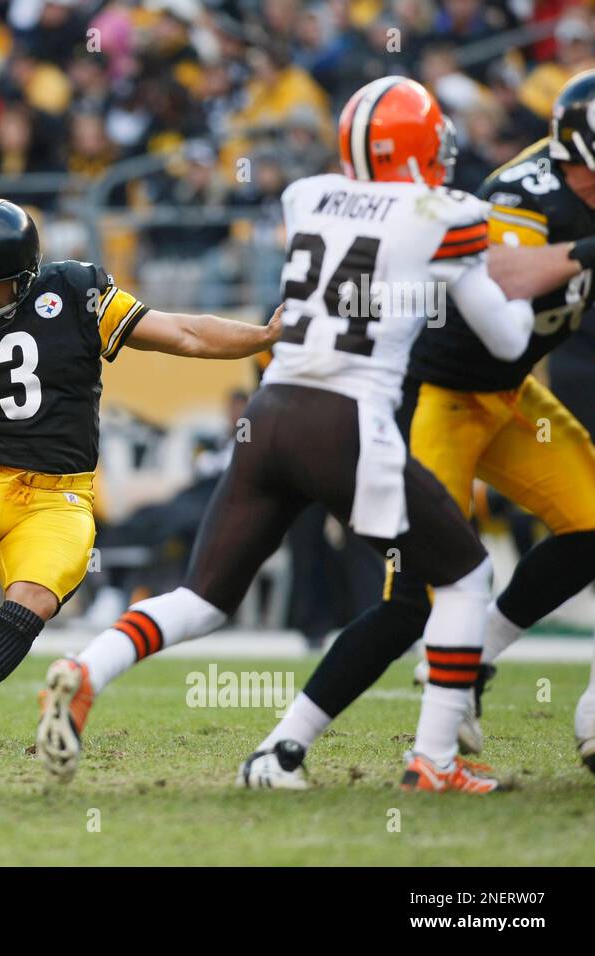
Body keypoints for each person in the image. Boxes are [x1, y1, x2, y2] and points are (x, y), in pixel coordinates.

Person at [37, 76, 536, 793]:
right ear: (419, 148)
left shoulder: (308, 196)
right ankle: (435, 759)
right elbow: (505, 337)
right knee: (465, 576)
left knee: (203, 598)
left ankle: (88, 668)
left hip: (269, 414)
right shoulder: (446, 212)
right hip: (347, 419)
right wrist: (545, 287)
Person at [0, 197, 284, 752]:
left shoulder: (79, 295)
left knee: (32, 599)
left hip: (58, 498)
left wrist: (261, 337)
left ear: (29, 275)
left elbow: (181, 332)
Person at [253, 70, 595, 777]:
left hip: (507, 394)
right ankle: (286, 745)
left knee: (592, 527)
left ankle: (476, 668)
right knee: (412, 595)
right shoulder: (522, 190)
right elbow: (505, 277)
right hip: (436, 395)